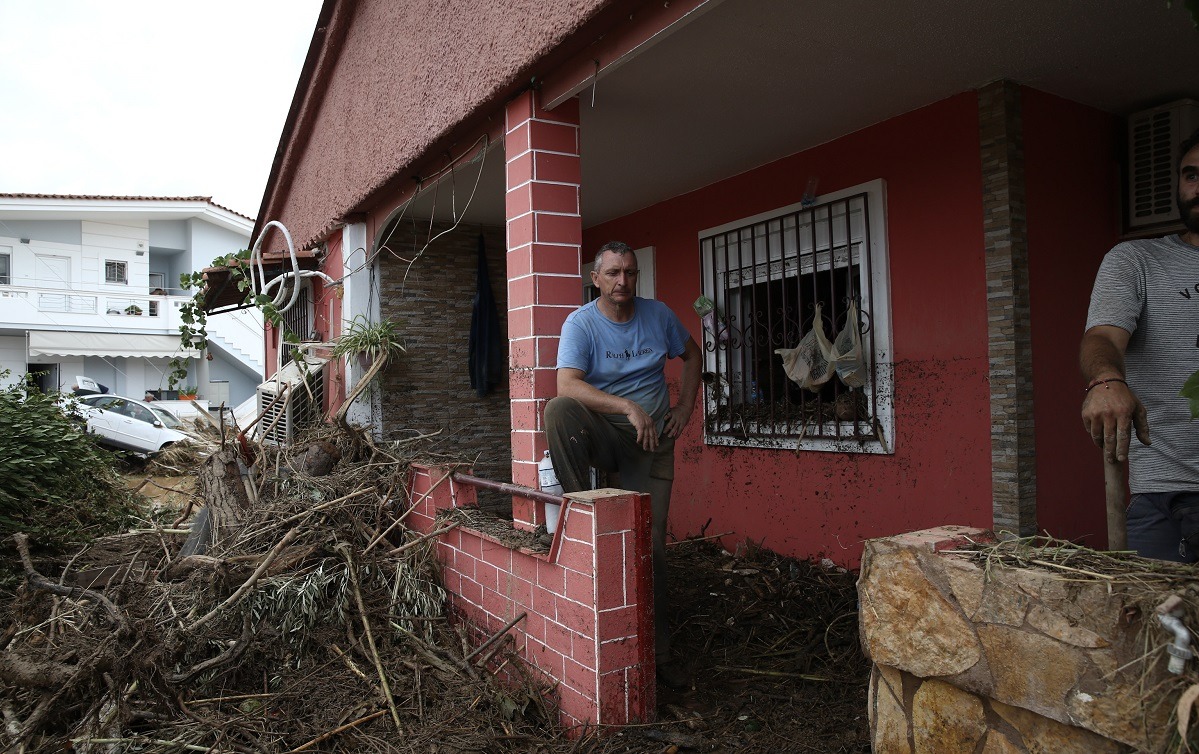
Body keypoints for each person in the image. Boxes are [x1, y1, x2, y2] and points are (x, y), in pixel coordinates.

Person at [545, 241, 702, 691]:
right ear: (595, 278)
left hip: (651, 444)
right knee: (558, 410)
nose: (622, 282)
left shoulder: (659, 316)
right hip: (605, 434)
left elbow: (692, 356)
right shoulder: (581, 323)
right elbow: (567, 384)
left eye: (630, 273)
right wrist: (627, 407)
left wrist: (685, 407)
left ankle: (660, 656)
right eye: (613, 273)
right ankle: (581, 513)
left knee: (649, 546)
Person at [1080, 126, 1199, 562]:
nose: (1198, 187)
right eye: (1191, 175)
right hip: (1166, 493)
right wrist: (1106, 381)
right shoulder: (1137, 261)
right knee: (1157, 626)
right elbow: (1102, 338)